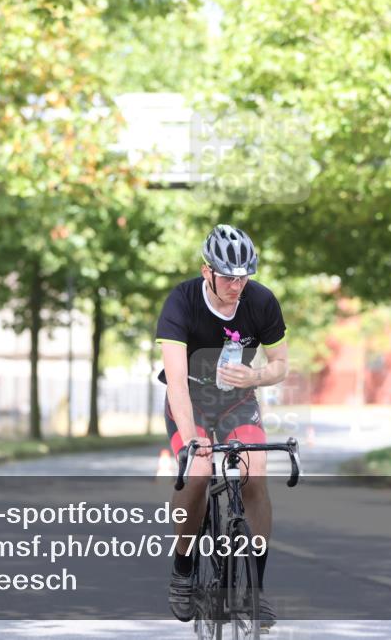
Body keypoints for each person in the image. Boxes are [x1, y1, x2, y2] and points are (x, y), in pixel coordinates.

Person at [155, 224, 289, 629]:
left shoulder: (261, 301)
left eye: (244, 275)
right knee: (197, 475)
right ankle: (183, 567)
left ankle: (255, 589)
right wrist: (193, 436)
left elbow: (281, 365)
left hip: (236, 402)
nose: (237, 284)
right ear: (206, 272)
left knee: (255, 474)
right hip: (190, 403)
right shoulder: (182, 302)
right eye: (229, 277)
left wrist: (256, 378)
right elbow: (175, 380)